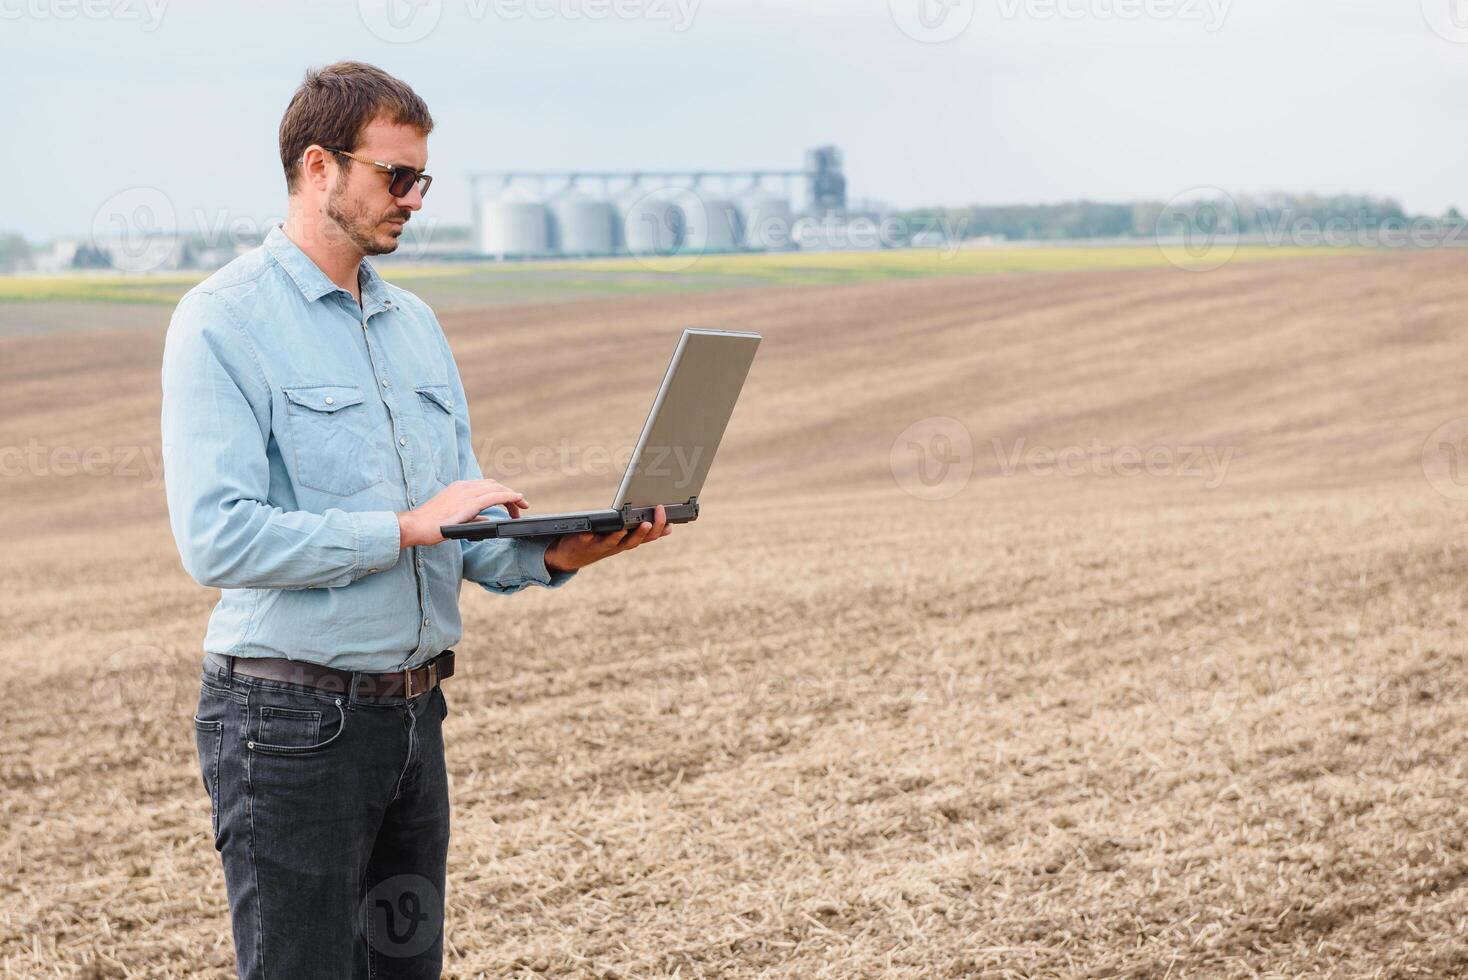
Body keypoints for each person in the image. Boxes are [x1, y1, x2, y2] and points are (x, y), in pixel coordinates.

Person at [160, 60, 671, 979]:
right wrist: (401, 527)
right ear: (320, 168)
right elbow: (218, 537)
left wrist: (565, 551)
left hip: (411, 718)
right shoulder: (221, 323)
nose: (415, 200)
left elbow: (458, 528)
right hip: (287, 724)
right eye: (396, 177)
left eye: (421, 179)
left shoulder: (415, 326)